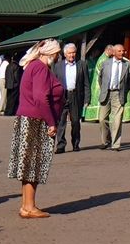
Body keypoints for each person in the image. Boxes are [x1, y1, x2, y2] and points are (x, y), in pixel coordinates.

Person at [11, 39, 63, 218]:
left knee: (27, 164)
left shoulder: (31, 66)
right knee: (34, 163)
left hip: (27, 118)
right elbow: (41, 97)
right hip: (36, 120)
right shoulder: (40, 68)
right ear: (49, 54)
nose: (57, 58)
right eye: (56, 54)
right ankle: (30, 207)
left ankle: (26, 205)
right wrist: (51, 122)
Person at [97, 44, 130, 151]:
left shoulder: (127, 65)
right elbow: (100, 78)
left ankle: (116, 144)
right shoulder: (105, 63)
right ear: (113, 52)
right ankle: (106, 141)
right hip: (106, 93)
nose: (122, 53)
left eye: (123, 51)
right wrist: (104, 88)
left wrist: (124, 91)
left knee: (117, 120)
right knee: (102, 119)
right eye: (119, 51)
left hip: (119, 94)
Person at [55, 43, 86, 153]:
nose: (72, 55)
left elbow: (86, 82)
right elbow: (55, 83)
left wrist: (87, 99)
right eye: (69, 53)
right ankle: (61, 144)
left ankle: (76, 143)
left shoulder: (82, 64)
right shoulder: (58, 66)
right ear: (65, 54)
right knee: (61, 121)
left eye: (73, 53)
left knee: (76, 121)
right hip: (62, 96)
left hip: (76, 95)